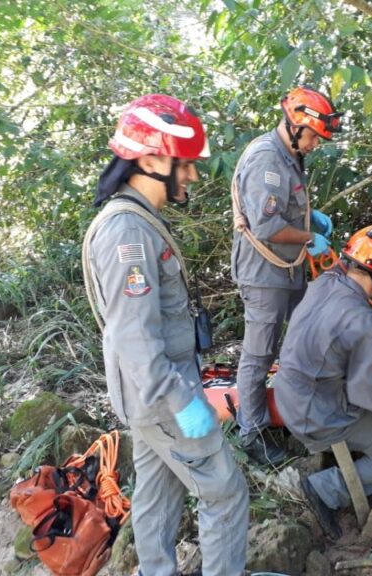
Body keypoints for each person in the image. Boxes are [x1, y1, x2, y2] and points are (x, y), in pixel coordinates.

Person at [83, 95, 248, 576]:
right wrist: (185, 402)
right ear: (153, 159)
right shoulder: (126, 235)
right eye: (186, 164)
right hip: (161, 395)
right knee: (225, 493)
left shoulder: (138, 221)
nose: (192, 175)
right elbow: (135, 340)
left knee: (158, 491)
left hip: (149, 396)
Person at [274, 224, 372, 538]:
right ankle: (326, 489)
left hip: (289, 393)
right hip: (318, 415)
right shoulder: (364, 321)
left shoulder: (321, 284)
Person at [230, 86, 344, 465]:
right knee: (259, 354)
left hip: (288, 268)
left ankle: (297, 414)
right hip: (265, 273)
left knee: (299, 340)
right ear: (295, 125)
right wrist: (311, 236)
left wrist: (309, 221)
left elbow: (285, 210)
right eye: (313, 136)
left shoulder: (288, 154)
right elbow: (266, 227)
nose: (314, 144)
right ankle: (253, 433)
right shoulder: (268, 161)